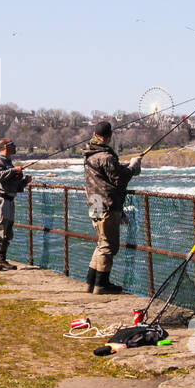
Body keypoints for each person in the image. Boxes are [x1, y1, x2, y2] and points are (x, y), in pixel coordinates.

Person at [82, 120, 142, 294]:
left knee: (101, 243)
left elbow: (108, 174)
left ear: (95, 134)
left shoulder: (90, 154)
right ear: (108, 137)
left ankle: (90, 283)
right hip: (106, 204)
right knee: (109, 246)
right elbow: (119, 179)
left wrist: (125, 167)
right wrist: (133, 167)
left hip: (94, 202)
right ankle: (101, 285)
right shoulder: (106, 156)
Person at [0, 138, 31, 270]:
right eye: (13, 145)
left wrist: (24, 182)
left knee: (7, 233)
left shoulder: (8, 162)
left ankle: (2, 260)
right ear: (6, 146)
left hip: (9, 200)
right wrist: (14, 170)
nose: (15, 146)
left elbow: (12, 185)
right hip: (0, 200)